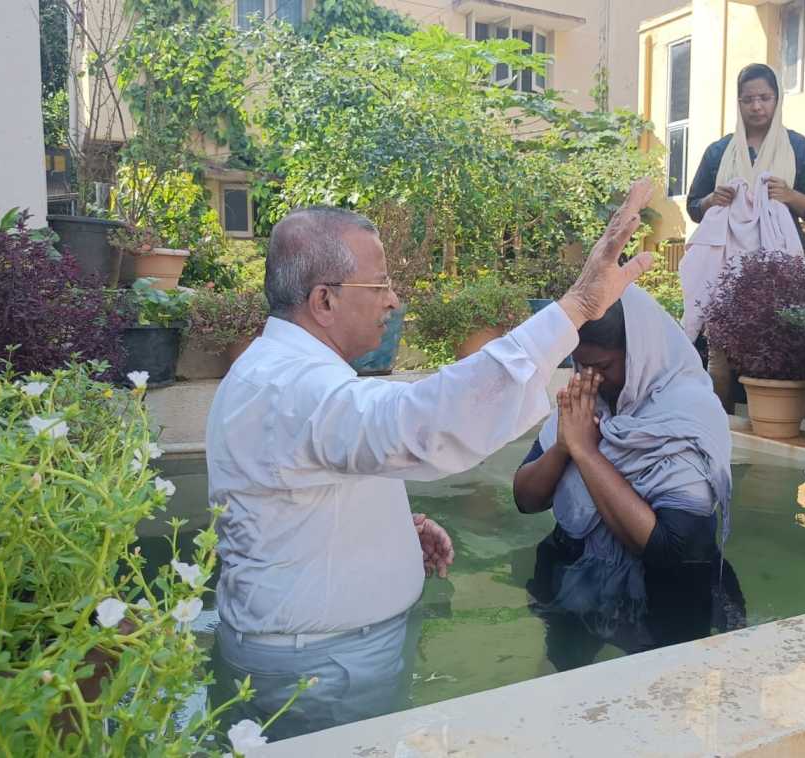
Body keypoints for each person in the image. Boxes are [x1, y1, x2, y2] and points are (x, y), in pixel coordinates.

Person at [205, 180, 654, 742]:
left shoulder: (285, 373)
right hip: (319, 674)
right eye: (381, 284)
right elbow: (425, 420)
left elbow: (304, 493)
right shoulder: (295, 386)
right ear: (324, 301)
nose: (394, 300)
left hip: (320, 658)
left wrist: (391, 531)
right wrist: (578, 307)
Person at [512, 286, 742, 668]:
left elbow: (671, 550)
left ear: (641, 357)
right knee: (565, 689)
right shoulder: (588, 403)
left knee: (661, 700)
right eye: (581, 366)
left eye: (602, 367)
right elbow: (525, 499)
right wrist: (563, 447)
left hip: (666, 600)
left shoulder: (687, 413)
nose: (591, 379)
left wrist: (586, 452)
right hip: (576, 581)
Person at [683, 63, 805, 411]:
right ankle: (719, 421)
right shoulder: (720, 152)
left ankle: (766, 424)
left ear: (777, 100)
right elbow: (693, 205)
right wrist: (711, 200)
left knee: (772, 344)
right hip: (725, 268)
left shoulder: (799, 148)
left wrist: (790, 197)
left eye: (764, 98)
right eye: (749, 99)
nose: (757, 106)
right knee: (719, 350)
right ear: (739, 103)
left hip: (776, 270)